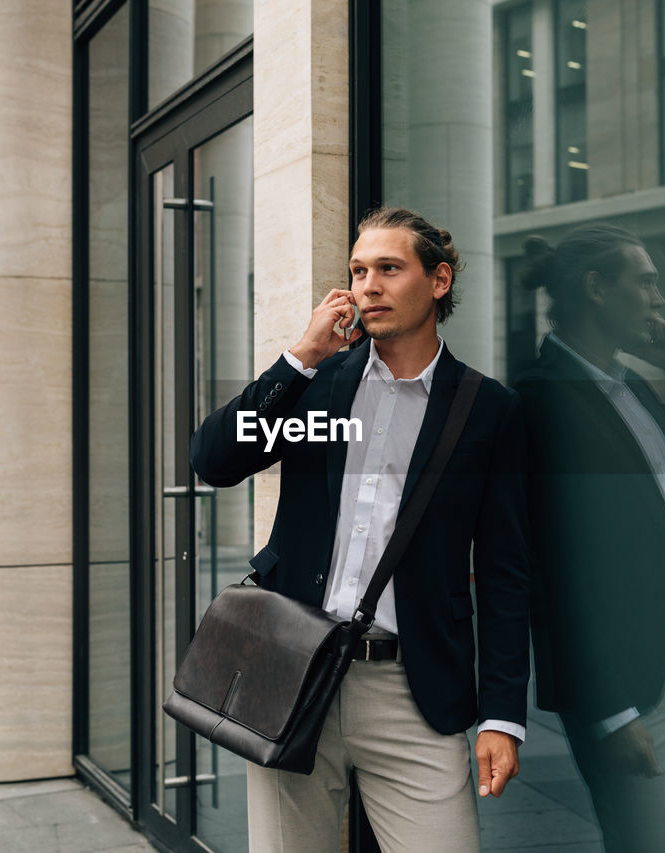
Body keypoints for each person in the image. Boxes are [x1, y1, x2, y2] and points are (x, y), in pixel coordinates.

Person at [190, 206, 531, 852]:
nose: (367, 283)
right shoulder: (317, 389)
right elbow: (214, 459)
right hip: (291, 674)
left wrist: (503, 713)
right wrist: (301, 355)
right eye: (358, 269)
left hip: (413, 689)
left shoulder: (486, 410)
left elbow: (507, 573)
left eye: (389, 268)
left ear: (439, 281)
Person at [512, 225, 665, 852]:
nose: (658, 298)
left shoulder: (631, 386)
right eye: (643, 281)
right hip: (627, 681)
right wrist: (606, 708)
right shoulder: (540, 399)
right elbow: (552, 572)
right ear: (595, 288)